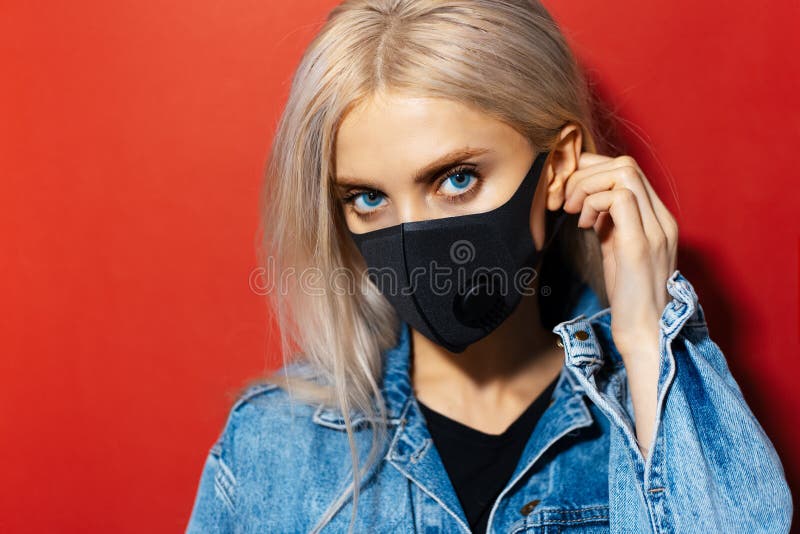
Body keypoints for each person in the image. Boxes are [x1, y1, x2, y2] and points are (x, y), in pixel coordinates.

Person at [186, 1, 793, 532]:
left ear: (556, 168)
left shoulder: (644, 419)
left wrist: (645, 340)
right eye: (368, 198)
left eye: (456, 179)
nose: (415, 240)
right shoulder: (272, 449)